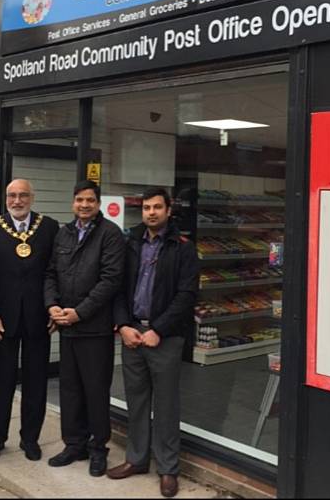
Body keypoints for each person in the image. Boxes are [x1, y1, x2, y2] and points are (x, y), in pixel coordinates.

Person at [107, 187, 199, 498]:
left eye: (157, 207)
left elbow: (187, 296)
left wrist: (158, 328)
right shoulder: (130, 242)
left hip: (165, 338)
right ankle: (136, 459)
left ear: (168, 210)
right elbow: (117, 288)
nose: (151, 212)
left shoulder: (183, 248)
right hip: (132, 335)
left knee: (166, 405)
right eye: (147, 207)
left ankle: (168, 469)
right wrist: (122, 325)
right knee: (136, 402)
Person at [44, 179, 125, 477]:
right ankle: (74, 444)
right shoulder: (63, 235)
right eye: (79, 200)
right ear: (73, 202)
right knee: (70, 389)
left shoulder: (110, 235)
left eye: (90, 200)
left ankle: (97, 448)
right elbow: (50, 272)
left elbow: (110, 281)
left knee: (95, 390)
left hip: (95, 328)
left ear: (98, 203)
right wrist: (51, 305)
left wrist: (79, 312)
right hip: (67, 326)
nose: (84, 205)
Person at [0, 179, 59, 462]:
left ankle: (30, 439)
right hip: (3, 320)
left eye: (23, 195)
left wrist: (54, 308)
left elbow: (56, 272)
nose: (17, 201)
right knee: (1, 380)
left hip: (39, 318)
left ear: (32, 198)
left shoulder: (48, 227)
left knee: (36, 381)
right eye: (12, 195)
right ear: (6, 198)